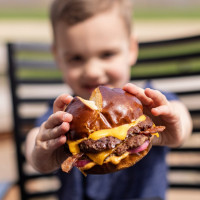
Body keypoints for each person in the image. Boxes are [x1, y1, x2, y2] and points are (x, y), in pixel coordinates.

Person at [25, 0, 192, 199]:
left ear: (131, 49)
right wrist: (42, 155)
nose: (93, 72)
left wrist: (176, 127)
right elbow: (33, 140)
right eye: (76, 58)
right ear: (58, 58)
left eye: (107, 54)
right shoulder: (62, 114)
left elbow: (181, 114)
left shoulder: (148, 102)